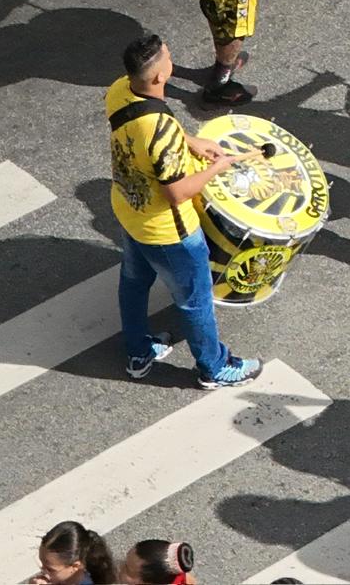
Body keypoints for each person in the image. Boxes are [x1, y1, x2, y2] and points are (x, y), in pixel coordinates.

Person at [108, 29, 264, 387]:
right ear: (162, 76)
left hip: (131, 213)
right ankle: (214, 367)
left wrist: (190, 141)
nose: (170, 58)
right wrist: (215, 169)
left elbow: (148, 126)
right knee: (196, 301)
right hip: (169, 231)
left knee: (133, 282)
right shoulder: (159, 131)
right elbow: (177, 192)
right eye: (167, 56)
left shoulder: (121, 91)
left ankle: (138, 350)